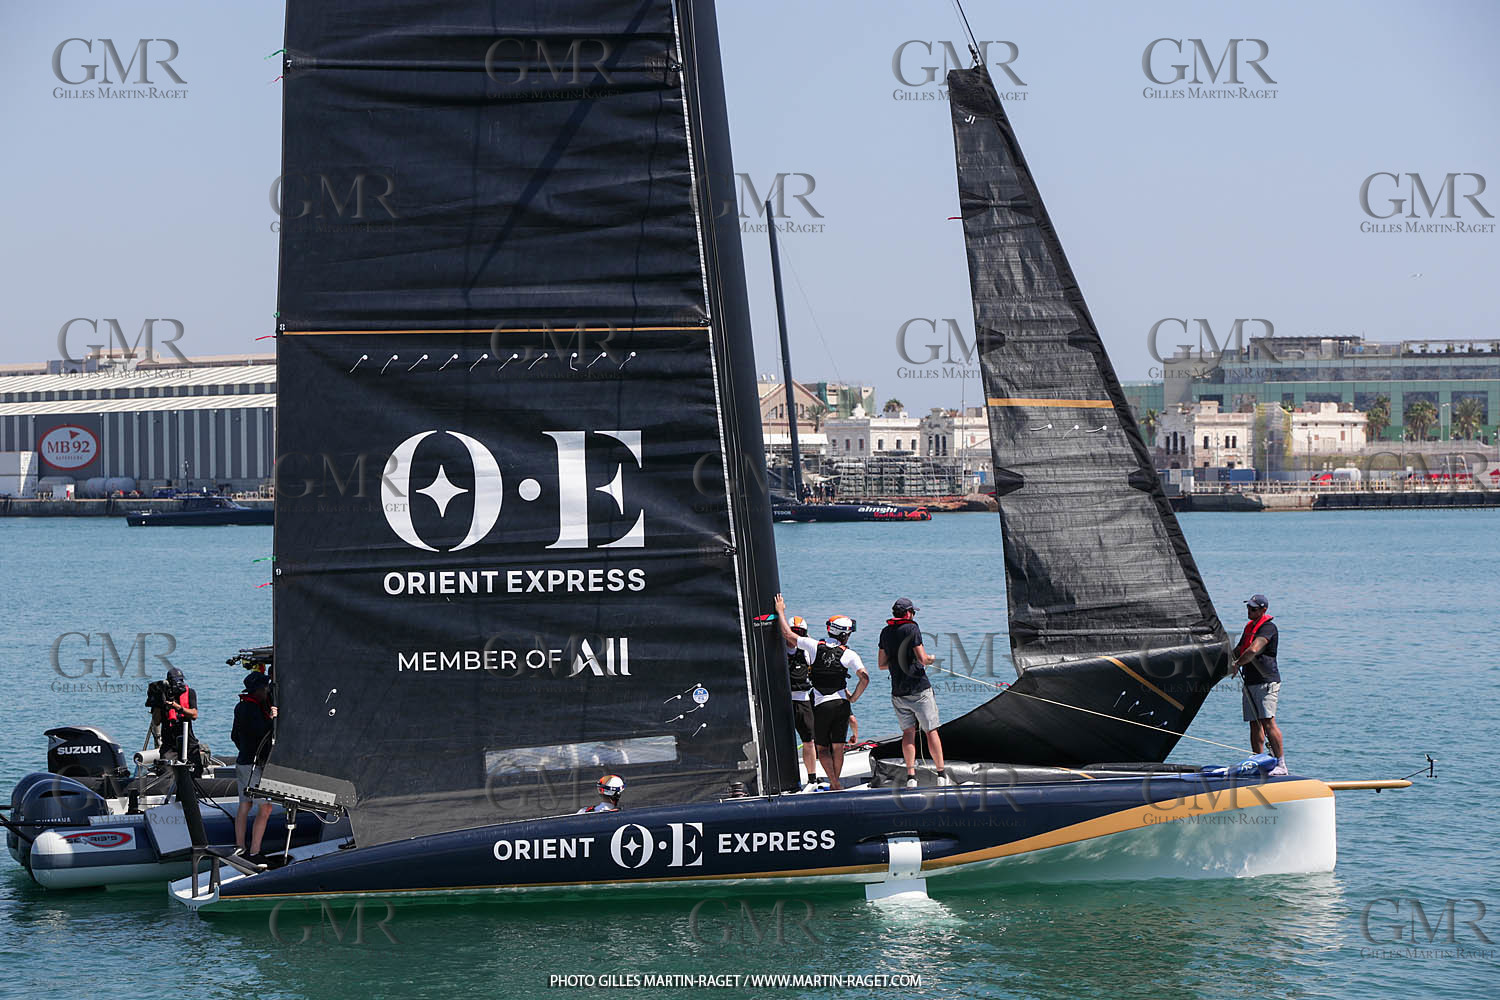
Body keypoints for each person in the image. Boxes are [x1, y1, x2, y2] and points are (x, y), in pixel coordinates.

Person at [774, 594, 868, 790]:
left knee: (823, 748)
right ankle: (836, 784)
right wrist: (853, 697)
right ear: (846, 634)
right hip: (842, 703)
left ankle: (834, 783)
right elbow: (864, 677)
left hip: (821, 704)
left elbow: (787, 634)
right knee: (838, 747)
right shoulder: (849, 654)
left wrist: (780, 611)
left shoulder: (814, 646)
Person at [878, 597, 948, 787]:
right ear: (908, 613)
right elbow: (923, 658)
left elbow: (881, 664)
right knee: (930, 731)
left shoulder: (885, 632)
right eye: (913, 612)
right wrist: (931, 659)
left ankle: (911, 777)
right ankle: (941, 774)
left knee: (908, 733)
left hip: (898, 692)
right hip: (918, 689)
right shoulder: (912, 628)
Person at [1230, 593, 1286, 774]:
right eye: (1248, 607)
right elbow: (1239, 650)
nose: (1249, 610)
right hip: (1250, 681)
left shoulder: (1268, 628)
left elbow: (1253, 649)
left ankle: (1281, 765)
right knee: (1254, 724)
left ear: (1263, 610)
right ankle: (1258, 761)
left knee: (1268, 722)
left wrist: (1237, 664)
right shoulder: (1249, 627)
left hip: (1266, 681)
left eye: (1253, 608)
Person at [231, 672, 276, 857]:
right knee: (265, 807)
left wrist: (244, 749)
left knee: (245, 804)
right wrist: (273, 718)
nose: (266, 691)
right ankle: (255, 850)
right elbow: (263, 731)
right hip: (253, 764)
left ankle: (240, 846)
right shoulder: (253, 709)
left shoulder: (240, 706)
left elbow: (234, 736)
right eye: (265, 688)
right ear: (258, 690)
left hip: (243, 761)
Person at [784, 614, 819, 787]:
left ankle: (812, 777)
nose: (795, 636)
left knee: (809, 741)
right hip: (782, 701)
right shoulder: (776, 649)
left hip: (802, 701)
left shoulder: (806, 651)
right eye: (793, 632)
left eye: (800, 633)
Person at [158, 667, 199, 763]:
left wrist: (178, 708)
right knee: (167, 770)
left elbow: (194, 715)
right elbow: (156, 721)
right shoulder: (163, 696)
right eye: (176, 681)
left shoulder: (190, 693)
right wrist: (157, 705)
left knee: (195, 768)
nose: (179, 684)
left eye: (181, 681)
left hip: (188, 739)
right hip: (169, 742)